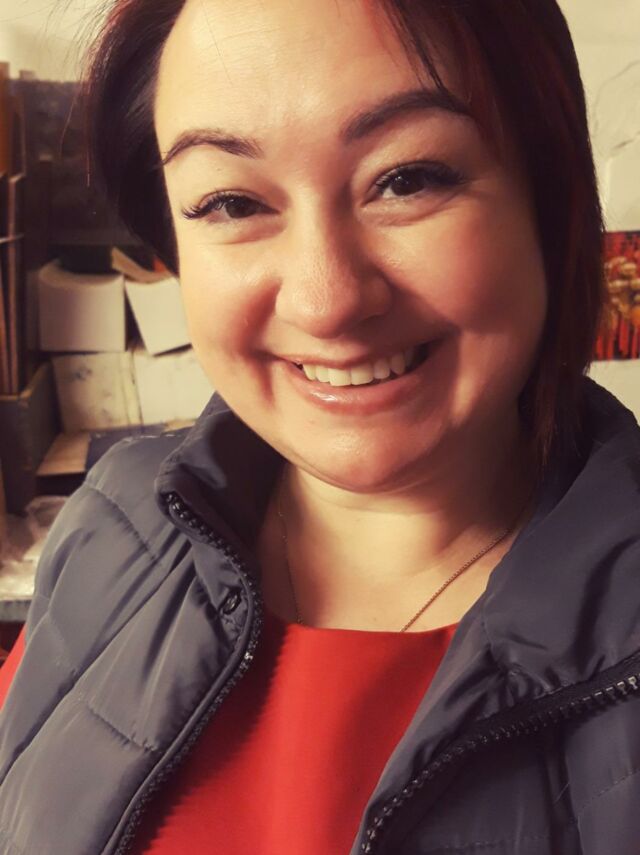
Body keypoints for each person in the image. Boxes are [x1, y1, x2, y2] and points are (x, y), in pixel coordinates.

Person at [0, 0, 638, 852]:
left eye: (407, 179)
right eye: (230, 201)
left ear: (548, 200)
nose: (324, 299)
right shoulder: (114, 523)